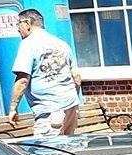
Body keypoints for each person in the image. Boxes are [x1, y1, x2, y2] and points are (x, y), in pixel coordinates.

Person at [8, 9, 81, 137]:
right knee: (70, 151)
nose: (18, 29)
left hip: (49, 111)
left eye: (18, 24)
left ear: (27, 23)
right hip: (72, 107)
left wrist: (13, 108)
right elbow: (77, 78)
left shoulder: (28, 44)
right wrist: (68, 99)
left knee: (47, 154)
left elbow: (22, 80)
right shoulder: (62, 44)